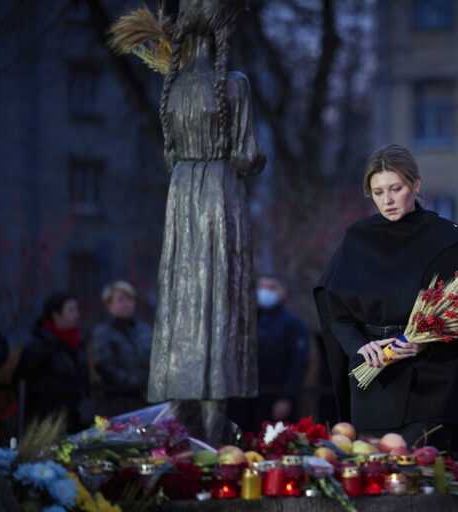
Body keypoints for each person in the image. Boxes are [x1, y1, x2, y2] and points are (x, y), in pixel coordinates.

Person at [315, 144, 458, 460]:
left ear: (416, 185)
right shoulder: (357, 239)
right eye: (377, 192)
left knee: (424, 477)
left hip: (433, 385)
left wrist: (428, 341)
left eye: (395, 188)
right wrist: (358, 347)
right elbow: (335, 309)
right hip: (374, 384)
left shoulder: (448, 239)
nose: (386, 200)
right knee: (375, 478)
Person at [145, 0, 266, 446]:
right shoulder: (234, 85)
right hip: (219, 194)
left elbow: (169, 154)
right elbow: (247, 155)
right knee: (218, 301)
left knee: (182, 303)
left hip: (181, 199)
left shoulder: (172, 89)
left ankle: (179, 432)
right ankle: (215, 436)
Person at [230, 275, 310, 432]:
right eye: (261, 287)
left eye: (272, 287)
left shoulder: (293, 324)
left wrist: (287, 398)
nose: (265, 292)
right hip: (244, 400)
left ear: (283, 292)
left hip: (276, 399)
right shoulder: (244, 321)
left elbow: (298, 364)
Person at [12, 293, 88, 433]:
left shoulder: (76, 343)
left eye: (77, 310)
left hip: (72, 417)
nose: (77, 315)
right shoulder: (39, 345)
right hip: (45, 421)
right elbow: (21, 381)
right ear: (56, 315)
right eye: (71, 310)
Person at [89, 281, 152, 418]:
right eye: (120, 300)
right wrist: (134, 382)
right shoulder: (102, 333)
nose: (126, 304)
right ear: (108, 305)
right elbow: (104, 366)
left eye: (130, 299)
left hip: (145, 401)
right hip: (116, 404)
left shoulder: (145, 330)